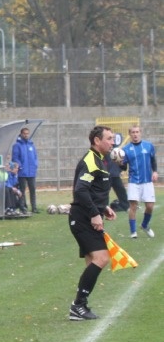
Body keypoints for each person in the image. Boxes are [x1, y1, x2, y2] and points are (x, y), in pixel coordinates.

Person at [66, 125, 118, 321]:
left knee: (93, 261)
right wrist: (95, 213)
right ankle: (77, 306)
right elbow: (80, 190)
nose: (113, 142)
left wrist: (103, 208)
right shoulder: (90, 160)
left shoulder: (99, 160)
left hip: (88, 215)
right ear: (97, 140)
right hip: (82, 218)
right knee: (102, 258)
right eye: (109, 138)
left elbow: (92, 190)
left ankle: (80, 306)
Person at [121, 125, 156, 238]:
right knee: (133, 206)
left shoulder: (148, 146)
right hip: (134, 181)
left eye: (137, 132)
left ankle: (145, 225)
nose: (135, 134)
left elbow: (153, 160)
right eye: (133, 132)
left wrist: (155, 171)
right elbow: (124, 168)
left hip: (147, 181)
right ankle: (133, 232)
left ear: (140, 133)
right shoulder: (126, 149)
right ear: (130, 134)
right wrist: (119, 163)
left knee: (150, 206)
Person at [12, 126, 39, 213]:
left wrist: (35, 165)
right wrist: (20, 166)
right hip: (22, 172)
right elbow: (15, 158)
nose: (26, 135)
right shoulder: (17, 145)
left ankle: (34, 207)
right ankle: (22, 207)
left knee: (33, 190)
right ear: (21, 134)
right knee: (22, 190)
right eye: (24, 133)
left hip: (31, 172)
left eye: (27, 133)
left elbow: (35, 157)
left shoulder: (31, 145)